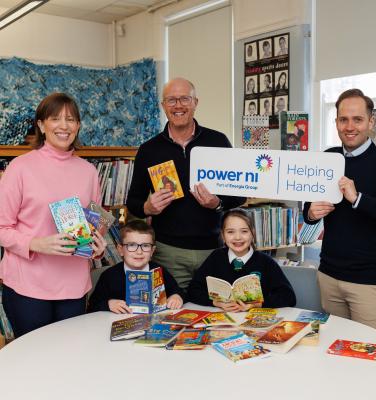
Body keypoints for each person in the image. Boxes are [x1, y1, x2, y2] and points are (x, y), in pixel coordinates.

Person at [0, 92, 107, 337]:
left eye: (70, 120)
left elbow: (96, 218)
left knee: (68, 360)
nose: (64, 126)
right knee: (34, 364)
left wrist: (97, 244)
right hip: (28, 286)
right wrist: (36, 243)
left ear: (78, 126)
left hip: (74, 285)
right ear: (41, 125)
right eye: (55, 119)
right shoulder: (20, 168)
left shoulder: (88, 171)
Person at [126, 78, 245, 291]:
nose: (178, 105)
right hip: (167, 252)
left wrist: (217, 203)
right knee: (171, 312)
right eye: (171, 100)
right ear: (163, 106)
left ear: (195, 102)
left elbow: (240, 195)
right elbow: (133, 202)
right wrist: (147, 208)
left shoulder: (218, 142)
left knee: (216, 311)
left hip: (213, 250)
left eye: (184, 99)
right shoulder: (148, 150)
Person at [303, 88, 376, 334]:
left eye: (357, 119)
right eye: (343, 119)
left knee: (369, 356)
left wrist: (358, 199)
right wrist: (311, 213)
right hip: (329, 277)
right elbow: (309, 206)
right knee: (332, 354)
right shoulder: (328, 158)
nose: (350, 126)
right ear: (336, 122)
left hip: (371, 283)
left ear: (370, 121)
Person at [187, 208, 296, 312]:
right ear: (223, 236)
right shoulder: (216, 257)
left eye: (244, 231)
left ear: (252, 233)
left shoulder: (266, 262)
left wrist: (257, 304)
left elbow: (289, 297)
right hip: (224, 319)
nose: (237, 237)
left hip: (254, 320)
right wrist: (215, 302)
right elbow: (193, 290)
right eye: (230, 232)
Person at [87, 220, 184, 313]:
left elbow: (177, 290)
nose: (139, 252)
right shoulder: (109, 276)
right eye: (132, 245)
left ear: (152, 251)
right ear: (120, 250)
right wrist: (108, 304)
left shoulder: (159, 271)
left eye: (145, 246)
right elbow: (92, 305)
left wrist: (176, 296)